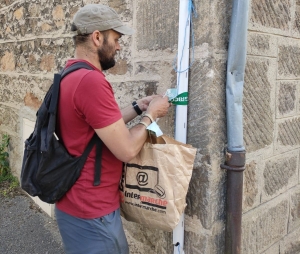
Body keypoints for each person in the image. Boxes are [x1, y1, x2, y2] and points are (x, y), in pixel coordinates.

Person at [54, 4, 170, 254]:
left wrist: (139, 106)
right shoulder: (91, 81)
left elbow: (100, 127)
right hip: (93, 214)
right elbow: (126, 149)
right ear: (97, 37)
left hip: (73, 204)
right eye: (116, 38)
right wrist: (152, 115)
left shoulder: (71, 73)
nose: (119, 46)